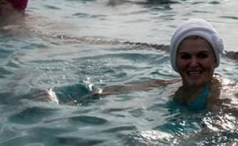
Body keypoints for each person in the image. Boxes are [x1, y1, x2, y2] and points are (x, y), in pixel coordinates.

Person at [89, 19, 229, 112]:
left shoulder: (219, 94)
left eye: (202, 55)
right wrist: (96, 94)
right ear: (175, 61)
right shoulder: (173, 84)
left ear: (215, 60)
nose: (193, 64)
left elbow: (220, 129)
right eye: (185, 56)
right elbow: (129, 88)